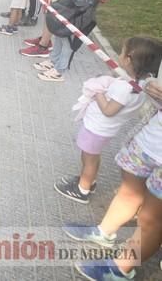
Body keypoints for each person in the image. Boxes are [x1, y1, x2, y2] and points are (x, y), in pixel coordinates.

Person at [63, 79, 162, 281]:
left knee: (151, 220)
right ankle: (104, 232)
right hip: (150, 140)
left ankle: (120, 269)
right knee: (128, 192)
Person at [54, 37, 162, 204]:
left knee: (88, 158)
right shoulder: (139, 85)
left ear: (129, 58)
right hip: (104, 130)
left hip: (97, 129)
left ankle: (82, 189)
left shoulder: (124, 88)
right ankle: (90, 180)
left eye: (122, 52)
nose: (119, 55)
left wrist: (98, 92)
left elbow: (108, 110)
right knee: (93, 156)